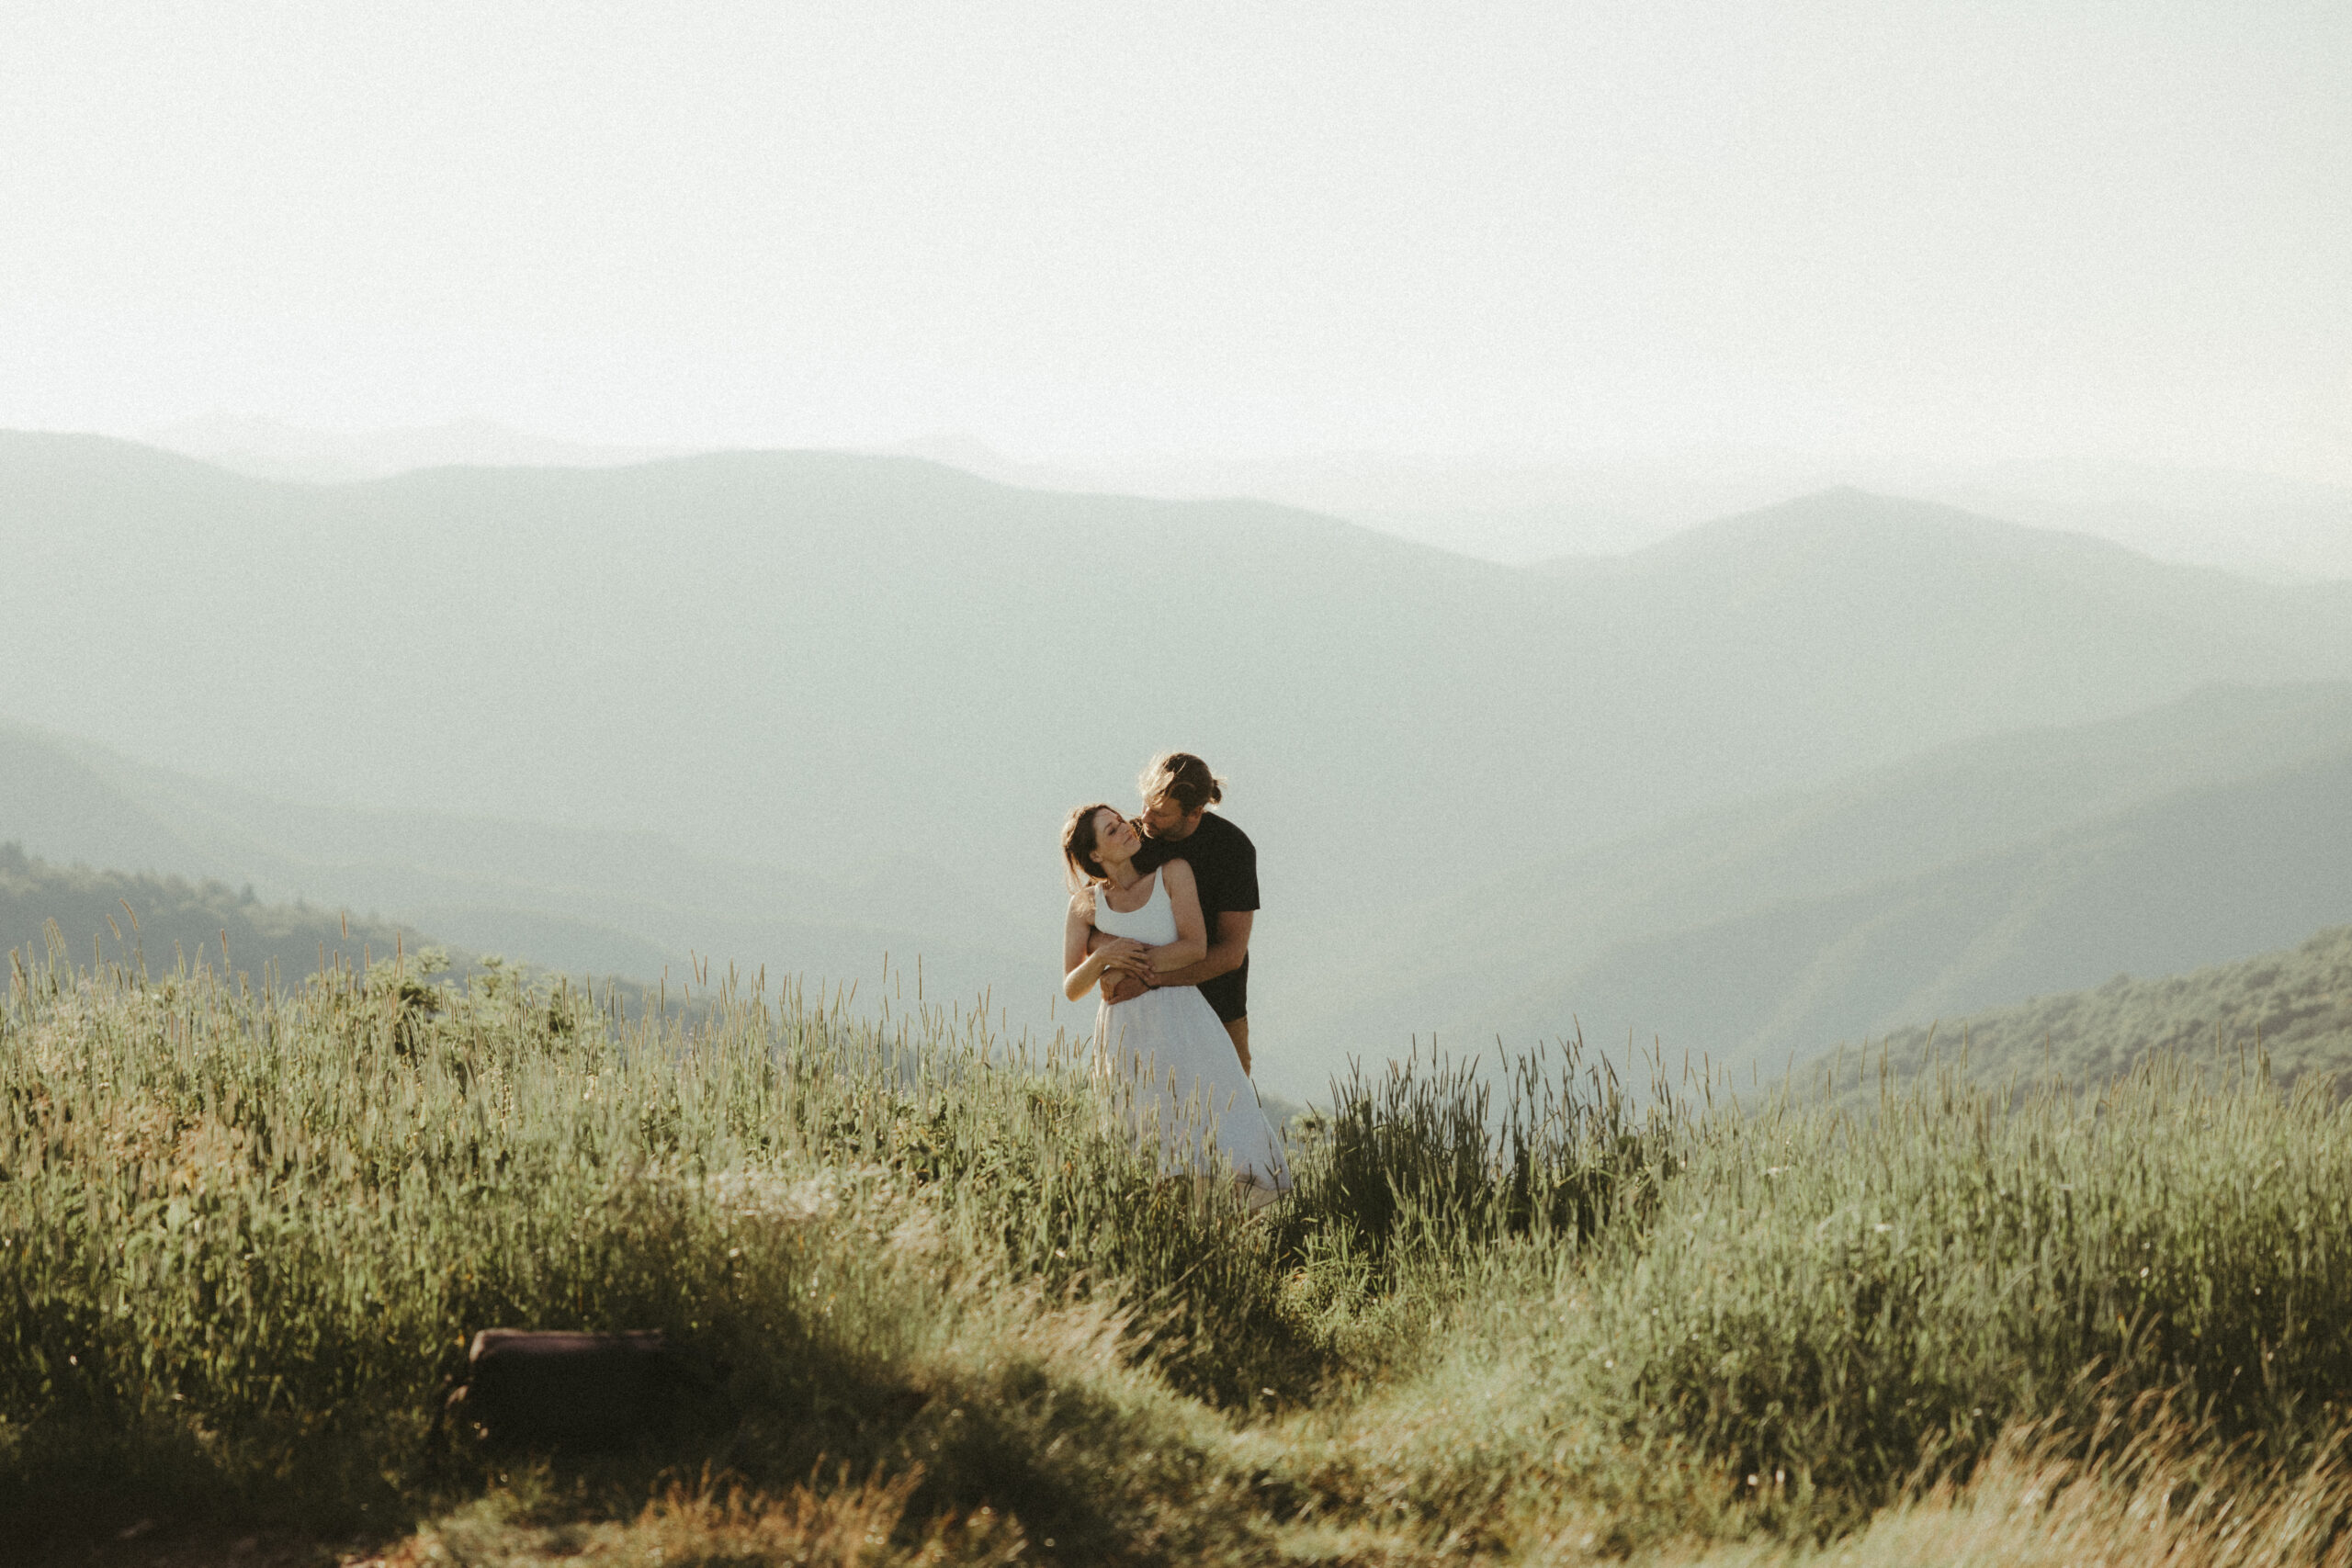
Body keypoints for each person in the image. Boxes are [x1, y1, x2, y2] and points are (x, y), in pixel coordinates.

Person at [1061, 802, 1291, 1206]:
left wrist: (1136, 972)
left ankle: (1235, 1230)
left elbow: (1194, 947)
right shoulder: (1086, 904)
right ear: (1095, 854)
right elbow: (1072, 987)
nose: (1126, 829)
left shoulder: (1172, 873)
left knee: (1217, 1122)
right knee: (1146, 1138)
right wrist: (1102, 958)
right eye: (1111, 831)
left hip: (1183, 1019)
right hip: (1126, 1036)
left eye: (1120, 821)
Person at [1101, 752, 1260, 1075]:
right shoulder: (1132, 841)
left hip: (1218, 1008)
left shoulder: (1233, 850)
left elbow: (1230, 954)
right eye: (1145, 804)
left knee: (1229, 1114)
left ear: (1195, 813)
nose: (1144, 818)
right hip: (1143, 1010)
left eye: (1159, 813)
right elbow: (1094, 910)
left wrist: (1150, 980)